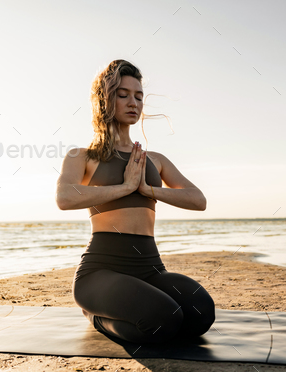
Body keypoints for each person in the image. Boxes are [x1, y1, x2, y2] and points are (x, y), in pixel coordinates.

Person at [55, 59, 216, 344]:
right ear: (105, 100)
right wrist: (125, 186)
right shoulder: (82, 156)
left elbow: (198, 200)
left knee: (201, 314)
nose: (134, 102)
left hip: (150, 269)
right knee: (163, 321)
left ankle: (129, 310)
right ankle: (96, 316)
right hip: (101, 270)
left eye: (139, 96)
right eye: (123, 94)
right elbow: (65, 198)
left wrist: (147, 190)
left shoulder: (154, 159)